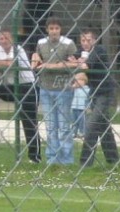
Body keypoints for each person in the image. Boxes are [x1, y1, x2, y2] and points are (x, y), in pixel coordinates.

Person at [0, 28, 41, 164]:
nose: (4, 41)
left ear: (12, 39)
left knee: (29, 122)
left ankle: (34, 157)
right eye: (1, 39)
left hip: (28, 87)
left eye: (6, 38)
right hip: (13, 88)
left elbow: (13, 63)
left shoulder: (18, 49)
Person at [31, 17, 76, 165]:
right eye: (51, 28)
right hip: (45, 88)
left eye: (57, 28)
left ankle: (66, 159)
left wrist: (51, 65)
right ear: (47, 30)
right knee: (50, 126)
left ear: (60, 29)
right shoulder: (41, 43)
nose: (54, 31)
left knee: (63, 126)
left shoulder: (68, 43)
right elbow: (36, 60)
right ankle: (52, 159)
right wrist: (36, 61)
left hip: (63, 88)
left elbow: (73, 63)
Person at [77, 28, 119, 167]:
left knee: (92, 126)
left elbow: (85, 65)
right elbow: (71, 59)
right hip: (94, 92)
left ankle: (85, 163)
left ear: (95, 40)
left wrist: (77, 63)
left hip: (105, 92)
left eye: (88, 40)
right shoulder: (83, 52)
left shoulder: (98, 50)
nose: (85, 43)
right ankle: (113, 160)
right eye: (83, 40)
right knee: (104, 127)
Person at [71, 72, 90, 139]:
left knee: (82, 121)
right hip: (74, 107)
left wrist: (88, 107)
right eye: (76, 81)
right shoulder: (75, 89)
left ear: (84, 81)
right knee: (74, 120)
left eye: (79, 80)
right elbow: (69, 92)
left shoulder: (87, 89)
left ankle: (82, 132)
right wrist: (73, 87)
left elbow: (89, 99)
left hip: (82, 108)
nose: (77, 82)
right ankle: (74, 132)